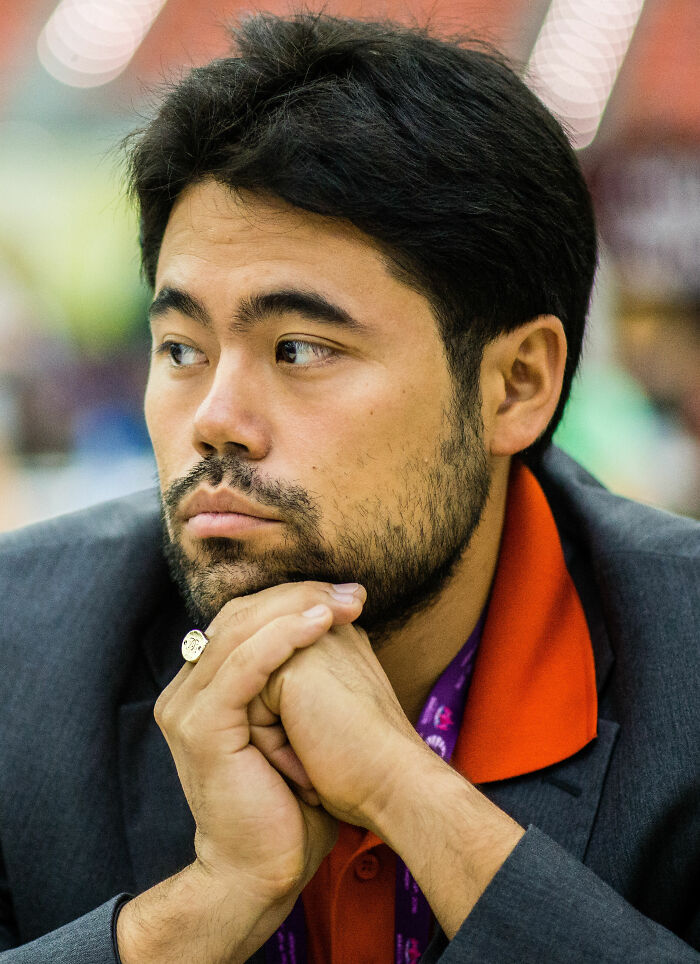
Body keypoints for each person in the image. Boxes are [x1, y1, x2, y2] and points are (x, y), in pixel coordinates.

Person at [0, 12, 698, 963]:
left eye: (299, 347)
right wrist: (207, 909)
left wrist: (403, 792)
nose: (215, 416)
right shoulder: (20, 646)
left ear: (516, 384)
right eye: (180, 349)